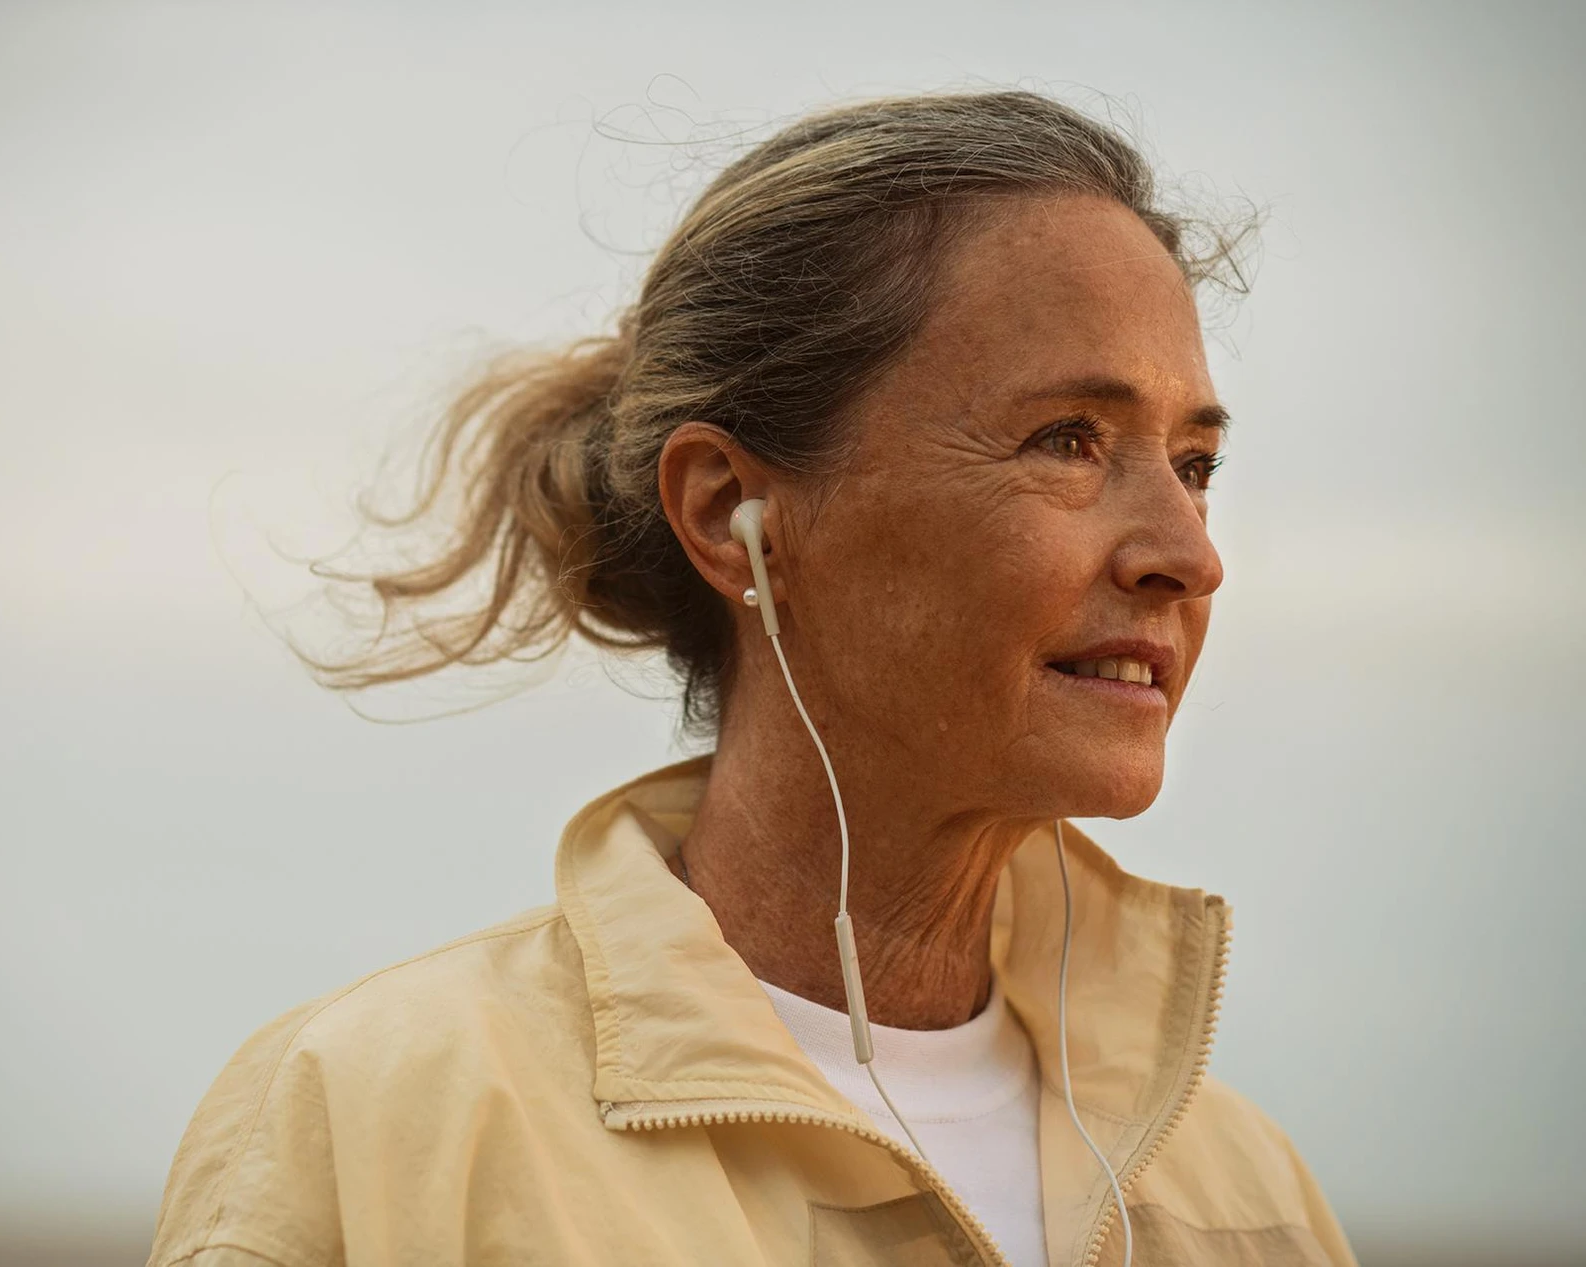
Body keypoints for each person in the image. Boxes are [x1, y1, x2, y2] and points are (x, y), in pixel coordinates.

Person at [147, 90, 1358, 1266]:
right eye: (1067, 442)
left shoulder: (1245, 1194)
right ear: (732, 514)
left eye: (1194, 462)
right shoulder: (382, 1126)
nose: (1186, 554)